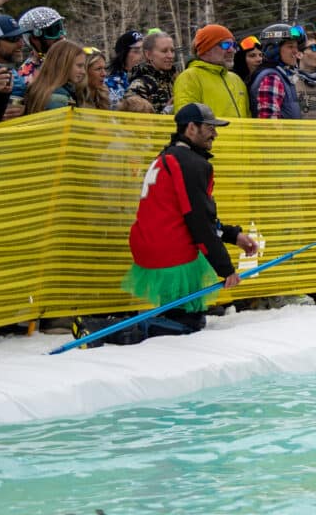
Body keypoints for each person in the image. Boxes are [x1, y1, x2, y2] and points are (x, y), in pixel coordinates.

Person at [73, 103, 258, 346]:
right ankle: (103, 328)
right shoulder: (191, 163)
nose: (215, 134)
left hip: (150, 244)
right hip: (170, 251)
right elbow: (199, 222)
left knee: (182, 315)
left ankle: (112, 325)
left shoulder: (168, 155)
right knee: (187, 324)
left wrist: (233, 236)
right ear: (191, 128)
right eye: (209, 128)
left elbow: (192, 215)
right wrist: (225, 269)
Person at [173, 24, 253, 119]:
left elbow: (248, 117)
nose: (232, 50)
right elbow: (186, 122)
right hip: (212, 134)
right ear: (206, 49)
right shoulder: (189, 77)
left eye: (233, 45)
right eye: (225, 45)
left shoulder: (236, 80)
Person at [250, 23, 309, 119]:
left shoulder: (284, 76)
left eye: (296, 47)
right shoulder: (271, 79)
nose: (295, 51)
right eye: (290, 47)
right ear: (273, 49)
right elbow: (269, 124)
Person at [22, 38, 89, 112]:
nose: (83, 72)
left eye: (84, 66)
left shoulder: (41, 89)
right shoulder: (59, 98)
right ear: (63, 64)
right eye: (79, 66)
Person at [124, 30, 179, 113]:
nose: (170, 56)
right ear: (148, 55)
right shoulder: (139, 86)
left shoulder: (177, 80)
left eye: (172, 51)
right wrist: (166, 112)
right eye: (164, 51)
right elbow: (134, 122)